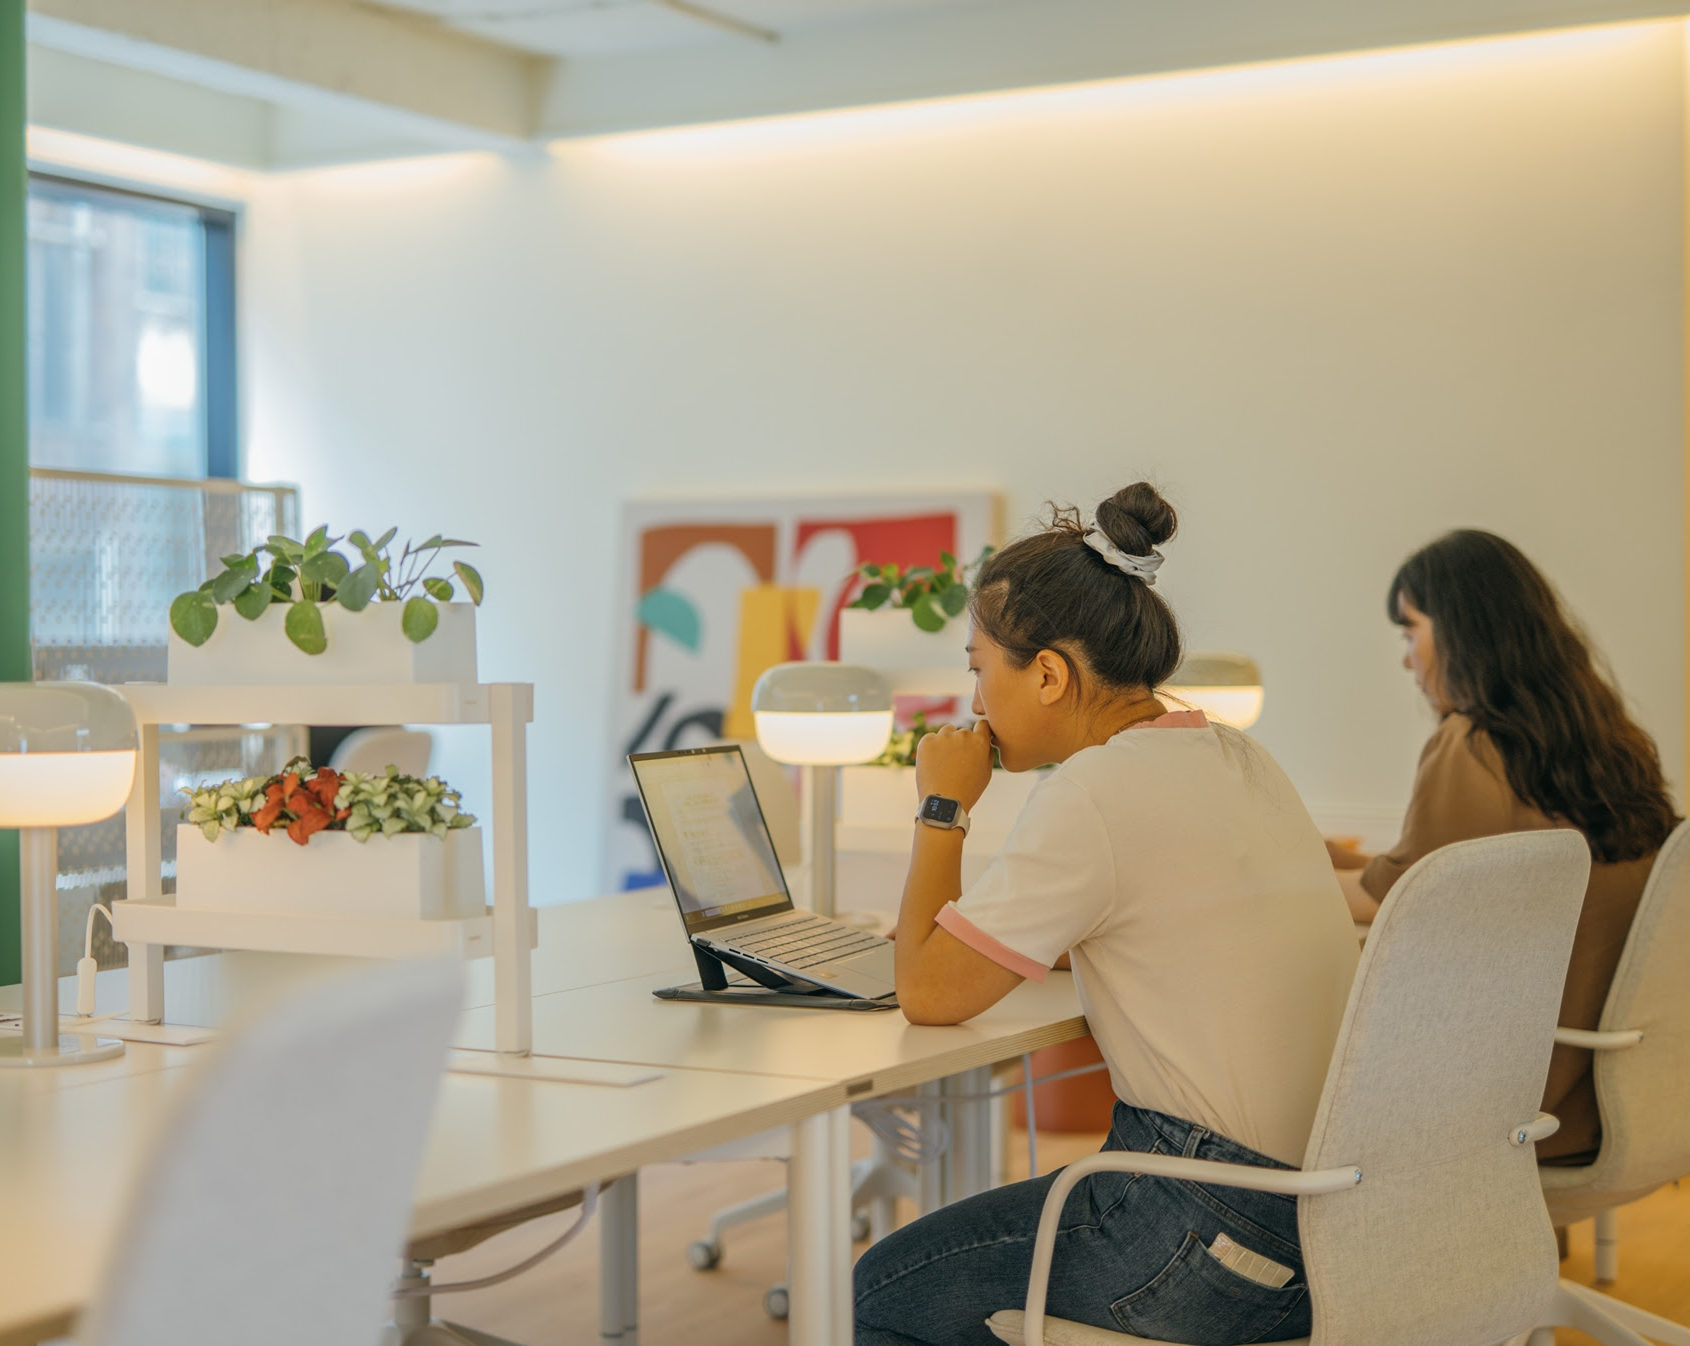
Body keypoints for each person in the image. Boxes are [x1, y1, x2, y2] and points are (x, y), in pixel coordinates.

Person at [854, 484, 1359, 1346]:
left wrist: (943, 806)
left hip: (1212, 1235)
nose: (975, 703)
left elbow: (930, 994)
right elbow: (1154, 919)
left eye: (980, 671)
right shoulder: (1233, 753)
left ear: (1047, 674)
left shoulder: (1096, 791)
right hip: (1334, 1223)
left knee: (884, 1289)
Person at [1328, 529, 1678, 1163]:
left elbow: (1394, 899)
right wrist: (1329, 857)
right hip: (1605, 1096)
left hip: (1510, 1108)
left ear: (1461, 631)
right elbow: (1418, 870)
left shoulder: (1472, 745)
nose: (1407, 659)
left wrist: (1272, 872)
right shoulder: (1606, 745)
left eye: (1410, 632)